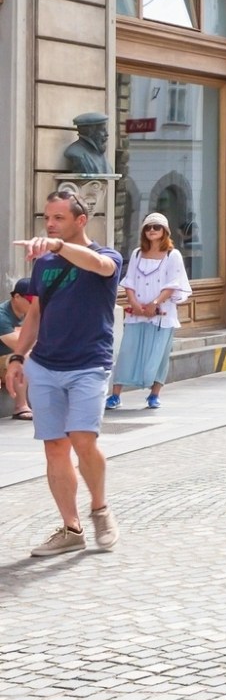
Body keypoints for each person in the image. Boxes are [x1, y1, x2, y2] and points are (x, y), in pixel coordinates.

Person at [11, 190, 124, 555]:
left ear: (80, 220)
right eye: (48, 218)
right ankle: (71, 528)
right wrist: (17, 358)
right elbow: (35, 313)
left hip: (89, 364)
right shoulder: (44, 263)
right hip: (45, 364)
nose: (51, 224)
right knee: (55, 447)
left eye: (59, 218)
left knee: (83, 440)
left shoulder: (108, 256)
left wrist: (57, 246)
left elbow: (99, 267)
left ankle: (100, 509)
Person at [106, 212, 190, 411]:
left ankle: (154, 394)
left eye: (156, 227)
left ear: (165, 231)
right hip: (137, 314)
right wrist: (134, 303)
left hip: (162, 314)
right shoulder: (137, 253)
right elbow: (130, 281)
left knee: (159, 354)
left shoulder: (173, 255)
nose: (152, 231)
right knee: (128, 352)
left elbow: (173, 283)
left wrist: (155, 303)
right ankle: (116, 395)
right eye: (148, 227)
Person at [2, 280, 34, 420]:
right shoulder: (2, 316)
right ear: (16, 297)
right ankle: (20, 406)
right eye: (30, 299)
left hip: (8, 359)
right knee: (23, 355)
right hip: (3, 358)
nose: (34, 302)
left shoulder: (33, 313)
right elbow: (19, 345)